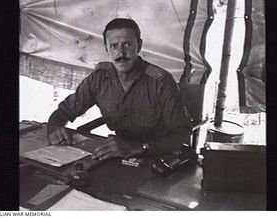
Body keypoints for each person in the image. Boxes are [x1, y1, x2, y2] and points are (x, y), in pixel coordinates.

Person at [47, 18, 192, 160]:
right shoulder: (99, 79)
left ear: (139, 46)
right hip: (121, 157)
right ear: (107, 49)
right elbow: (64, 111)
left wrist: (139, 147)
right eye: (114, 46)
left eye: (127, 44)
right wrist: (55, 129)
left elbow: (182, 135)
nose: (121, 53)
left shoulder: (161, 82)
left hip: (158, 158)